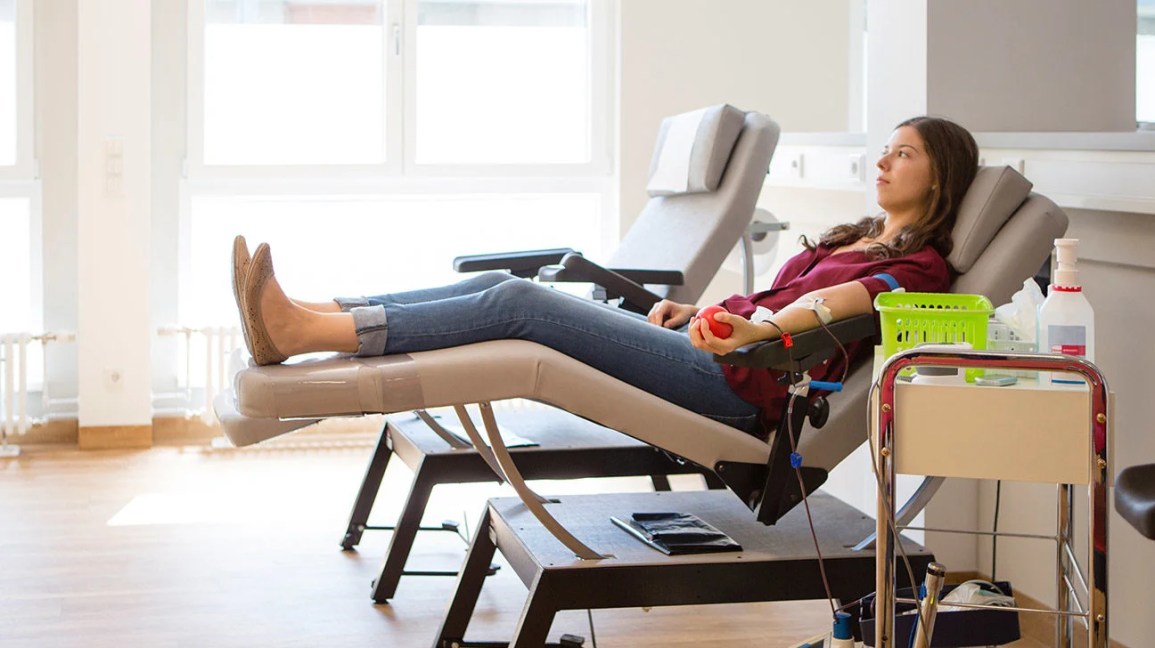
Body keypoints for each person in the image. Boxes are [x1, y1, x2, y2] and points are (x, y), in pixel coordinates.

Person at [232, 116, 978, 439]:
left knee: (521, 301)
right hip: (711, 350)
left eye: (902, 153)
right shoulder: (861, 236)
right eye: (882, 150)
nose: (881, 162)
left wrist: (757, 331)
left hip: (738, 386)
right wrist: (702, 310)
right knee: (494, 294)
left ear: (939, 175)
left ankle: (302, 331)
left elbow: (830, 308)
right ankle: (311, 311)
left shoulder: (915, 266)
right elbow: (796, 292)